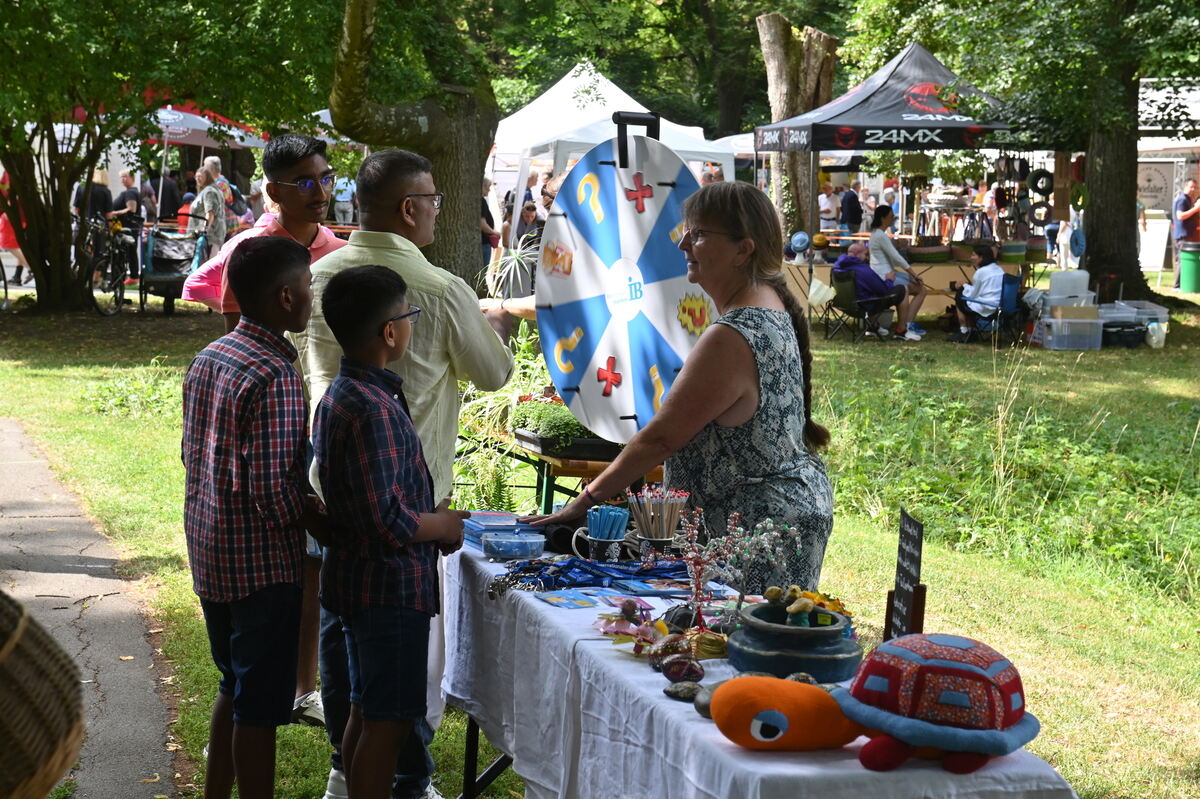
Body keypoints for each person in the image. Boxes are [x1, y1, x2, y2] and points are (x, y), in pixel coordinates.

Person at [293, 148, 513, 799]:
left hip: (330, 495)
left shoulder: (319, 276)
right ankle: (407, 780)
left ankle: (345, 768)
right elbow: (495, 373)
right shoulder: (439, 290)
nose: (440, 211)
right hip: (405, 523)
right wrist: (440, 524)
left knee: (346, 653)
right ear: (411, 208)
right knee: (394, 681)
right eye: (436, 200)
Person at [526, 181, 833, 593]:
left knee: (727, 634)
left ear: (743, 250)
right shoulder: (768, 307)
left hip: (755, 533)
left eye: (699, 234)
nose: (683, 243)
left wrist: (585, 502)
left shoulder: (733, 335)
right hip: (777, 520)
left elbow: (660, 438)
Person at [313, 265, 468, 799]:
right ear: (389, 332)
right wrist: (441, 524)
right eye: (409, 316)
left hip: (360, 584)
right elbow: (384, 519)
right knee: (389, 722)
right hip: (387, 591)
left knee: (366, 711)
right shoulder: (371, 408)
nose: (410, 325)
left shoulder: (347, 393)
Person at [181, 235, 327, 799]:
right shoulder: (275, 374)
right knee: (260, 706)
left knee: (233, 682)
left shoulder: (209, 357)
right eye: (309, 285)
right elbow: (271, 489)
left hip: (211, 549)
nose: (312, 295)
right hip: (261, 567)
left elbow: (193, 455)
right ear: (287, 297)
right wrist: (318, 517)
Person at [183, 134, 346, 318]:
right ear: (274, 192)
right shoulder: (247, 255)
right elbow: (238, 334)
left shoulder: (344, 254)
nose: (321, 195)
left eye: (326, 180)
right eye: (304, 184)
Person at [868, 205, 927, 341]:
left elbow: (889, 256)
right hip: (885, 277)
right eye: (891, 217)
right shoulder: (880, 236)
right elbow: (897, 258)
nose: (893, 219)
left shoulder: (876, 234)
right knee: (920, 290)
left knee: (916, 288)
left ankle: (902, 327)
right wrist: (914, 275)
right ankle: (905, 327)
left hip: (883, 274)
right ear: (883, 218)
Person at [831, 242, 903, 337]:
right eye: (866, 254)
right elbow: (883, 290)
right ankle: (902, 330)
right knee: (902, 289)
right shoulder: (863, 270)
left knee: (867, 292)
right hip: (863, 307)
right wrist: (889, 280)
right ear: (857, 254)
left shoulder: (836, 268)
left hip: (844, 305)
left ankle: (873, 326)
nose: (867, 257)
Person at [949, 245, 1006, 343]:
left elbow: (973, 295)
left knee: (960, 296)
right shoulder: (999, 269)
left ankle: (964, 330)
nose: (971, 257)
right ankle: (971, 330)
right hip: (1001, 306)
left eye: (973, 255)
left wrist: (964, 286)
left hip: (987, 306)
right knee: (964, 295)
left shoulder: (980, 272)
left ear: (981, 257)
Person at [0, 170, 31, 285]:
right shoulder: (21, 168)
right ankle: (17, 276)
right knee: (18, 246)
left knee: (6, 244)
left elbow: (6, 191)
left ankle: (31, 269)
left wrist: (8, 208)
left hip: (12, 214)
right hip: (22, 214)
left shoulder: (10, 170)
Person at [189, 166, 227, 259]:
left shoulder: (210, 191)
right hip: (207, 237)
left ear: (207, 177)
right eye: (196, 176)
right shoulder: (208, 190)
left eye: (200, 176)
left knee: (207, 264)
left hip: (210, 238)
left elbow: (210, 213)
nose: (198, 179)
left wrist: (204, 231)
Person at [1172, 178, 1199, 288]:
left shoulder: (1188, 199)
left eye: (1195, 187)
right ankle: (1177, 286)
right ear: (1185, 186)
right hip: (1182, 235)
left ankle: (1182, 284)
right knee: (1182, 260)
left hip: (1187, 234)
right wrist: (1196, 209)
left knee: (1183, 260)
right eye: (1191, 187)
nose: (1193, 189)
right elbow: (1180, 216)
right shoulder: (1182, 199)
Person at [480, 178, 499, 266]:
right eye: (488, 186)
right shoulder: (482, 201)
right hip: (484, 243)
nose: (489, 189)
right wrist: (494, 233)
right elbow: (482, 224)